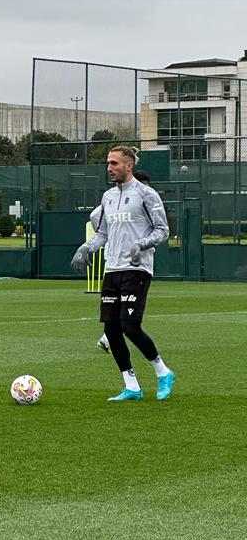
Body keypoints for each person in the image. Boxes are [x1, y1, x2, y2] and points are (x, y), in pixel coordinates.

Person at [71, 147, 176, 401]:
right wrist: (86, 248)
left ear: (129, 165)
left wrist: (142, 244)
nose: (109, 167)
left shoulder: (146, 194)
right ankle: (131, 386)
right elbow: (103, 234)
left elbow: (163, 230)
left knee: (130, 325)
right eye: (108, 163)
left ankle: (163, 372)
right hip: (112, 269)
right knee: (112, 328)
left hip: (137, 269)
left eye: (114, 163)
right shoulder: (107, 197)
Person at [96, 168, 152, 354]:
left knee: (127, 311)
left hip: (134, 263)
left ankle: (108, 337)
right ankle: (107, 338)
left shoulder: (145, 200)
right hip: (119, 263)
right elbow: (96, 217)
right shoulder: (114, 198)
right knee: (125, 314)